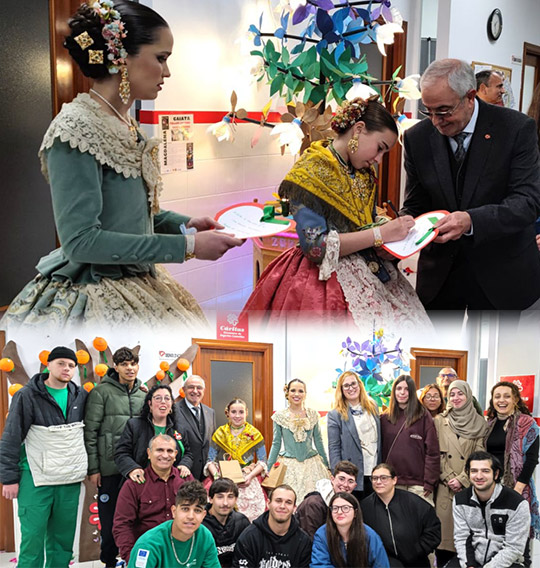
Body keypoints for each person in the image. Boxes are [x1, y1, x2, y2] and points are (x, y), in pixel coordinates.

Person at [1, 0, 243, 330]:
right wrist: (187, 246)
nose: (167, 72)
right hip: (93, 290)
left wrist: (184, 224)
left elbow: (128, 217)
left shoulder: (125, 124)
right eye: (161, 58)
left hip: (140, 276)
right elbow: (81, 241)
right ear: (121, 57)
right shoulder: (73, 130)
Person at [242, 97, 432, 329]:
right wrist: (380, 234)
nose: (378, 159)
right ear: (358, 129)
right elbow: (315, 247)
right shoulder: (311, 169)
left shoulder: (361, 170)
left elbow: (366, 220)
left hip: (369, 269)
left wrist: (391, 232)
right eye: (380, 148)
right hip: (322, 279)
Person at [401, 58, 540, 310]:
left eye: (443, 111)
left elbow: (527, 202)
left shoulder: (516, 129)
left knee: (494, 350)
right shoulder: (416, 137)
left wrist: (471, 221)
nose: (435, 121)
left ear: (470, 96)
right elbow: (415, 202)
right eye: (428, 111)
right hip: (440, 277)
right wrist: (400, 229)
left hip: (500, 275)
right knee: (436, 349)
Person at [0, 346, 88, 568]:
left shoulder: (80, 396)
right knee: (32, 541)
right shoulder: (27, 395)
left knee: (63, 542)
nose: (66, 368)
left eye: (71, 365)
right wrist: (9, 478)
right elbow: (11, 437)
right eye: (61, 363)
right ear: (48, 365)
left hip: (68, 479)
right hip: (35, 478)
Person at [84, 346, 147, 568]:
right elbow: (90, 432)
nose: (130, 368)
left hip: (138, 469)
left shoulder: (144, 394)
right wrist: (93, 469)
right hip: (110, 470)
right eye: (124, 364)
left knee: (138, 520)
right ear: (116, 366)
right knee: (110, 522)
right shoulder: (101, 392)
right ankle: (109, 562)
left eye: (133, 363)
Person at [113, 434, 194, 563]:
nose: (165, 455)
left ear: (176, 454)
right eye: (159, 450)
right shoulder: (134, 484)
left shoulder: (186, 480)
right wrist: (131, 557)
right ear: (149, 453)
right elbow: (122, 525)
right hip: (147, 551)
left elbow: (198, 516)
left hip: (182, 551)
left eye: (170, 451)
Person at [433, 380, 487, 567]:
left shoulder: (480, 423)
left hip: (468, 486)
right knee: (444, 540)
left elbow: (479, 455)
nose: (456, 398)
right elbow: (434, 453)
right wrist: (449, 478)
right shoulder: (440, 421)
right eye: (452, 394)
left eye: (460, 394)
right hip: (444, 486)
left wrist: (463, 479)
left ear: (468, 395)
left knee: (466, 541)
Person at [449, 451, 531, 568]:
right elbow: (461, 538)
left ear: (496, 474)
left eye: (485, 471)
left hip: (509, 562)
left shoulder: (517, 503)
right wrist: (470, 565)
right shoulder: (460, 500)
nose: (479, 476)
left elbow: (513, 548)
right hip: (473, 560)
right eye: (474, 471)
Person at [485, 381, 540, 541]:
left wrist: (516, 490)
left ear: (515, 399)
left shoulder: (527, 424)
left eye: (507, 396)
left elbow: (531, 460)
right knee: (493, 538)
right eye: (497, 396)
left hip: (516, 487)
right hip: (491, 488)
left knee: (516, 540)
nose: (501, 400)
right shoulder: (489, 424)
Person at [360, 463, 441, 567]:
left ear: (394, 480)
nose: (378, 482)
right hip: (383, 564)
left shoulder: (414, 503)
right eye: (374, 478)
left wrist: (417, 550)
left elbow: (433, 530)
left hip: (416, 562)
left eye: (383, 478)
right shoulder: (365, 507)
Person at [127, 480, 220, 568]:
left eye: (197, 510)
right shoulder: (148, 545)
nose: (191, 516)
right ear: (174, 511)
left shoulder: (205, 537)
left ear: (203, 515)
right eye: (185, 509)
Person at [267, 379, 330, 503]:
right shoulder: (280, 416)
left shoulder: (313, 414)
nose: (297, 394)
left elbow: (318, 441)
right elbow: (276, 443)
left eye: (300, 391)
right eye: (293, 390)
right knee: (288, 500)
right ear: (287, 393)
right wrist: (269, 468)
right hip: (288, 464)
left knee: (314, 502)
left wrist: (327, 466)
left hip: (312, 464)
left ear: (305, 394)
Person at [115, 383, 193, 482]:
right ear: (150, 404)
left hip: (171, 483)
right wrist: (132, 468)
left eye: (167, 398)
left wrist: (184, 464)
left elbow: (188, 453)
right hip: (141, 482)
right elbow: (121, 453)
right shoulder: (134, 425)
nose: (163, 402)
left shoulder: (179, 428)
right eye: (158, 398)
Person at [380, 375, 439, 505]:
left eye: (406, 389)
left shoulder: (423, 416)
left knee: (421, 523)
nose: (402, 392)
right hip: (392, 483)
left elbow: (433, 452)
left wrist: (429, 482)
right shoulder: (384, 418)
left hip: (419, 485)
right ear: (394, 391)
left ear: (412, 392)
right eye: (398, 388)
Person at [205, 398, 267, 521]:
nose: (237, 416)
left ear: (246, 413)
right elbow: (210, 461)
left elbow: (263, 461)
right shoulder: (219, 433)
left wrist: (250, 477)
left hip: (246, 478)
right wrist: (217, 477)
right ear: (227, 413)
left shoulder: (255, 433)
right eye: (233, 412)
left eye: (241, 412)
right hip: (222, 477)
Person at [327, 370, 380, 499]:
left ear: (359, 385)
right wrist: (339, 478)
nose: (351, 388)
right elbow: (334, 448)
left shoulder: (373, 407)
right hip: (352, 475)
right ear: (341, 389)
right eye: (346, 385)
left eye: (353, 384)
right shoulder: (335, 415)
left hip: (374, 470)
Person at [232, 484, 312, 568]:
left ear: (294, 508)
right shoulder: (249, 537)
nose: (282, 506)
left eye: (288, 502)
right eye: (278, 501)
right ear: (268, 503)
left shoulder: (303, 541)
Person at [311, 492, 389, 568]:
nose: (339, 512)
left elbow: (381, 564)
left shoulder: (369, 535)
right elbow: (319, 564)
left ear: (355, 512)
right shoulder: (322, 534)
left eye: (345, 508)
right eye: (335, 508)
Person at [296, 460, 359, 540]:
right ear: (332, 479)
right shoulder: (314, 504)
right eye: (341, 479)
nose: (345, 484)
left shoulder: (351, 506)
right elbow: (310, 540)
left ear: (355, 485)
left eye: (350, 481)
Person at [202, 478, 251, 568]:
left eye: (230, 497)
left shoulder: (242, 522)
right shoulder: (200, 524)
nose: (225, 503)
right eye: (220, 497)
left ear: (236, 499)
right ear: (211, 499)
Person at [176, 375, 216, 480]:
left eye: (199, 388)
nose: (195, 391)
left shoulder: (210, 412)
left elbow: (212, 442)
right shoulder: (174, 411)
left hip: (207, 474)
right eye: (191, 387)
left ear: (204, 390)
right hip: (183, 472)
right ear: (184, 389)